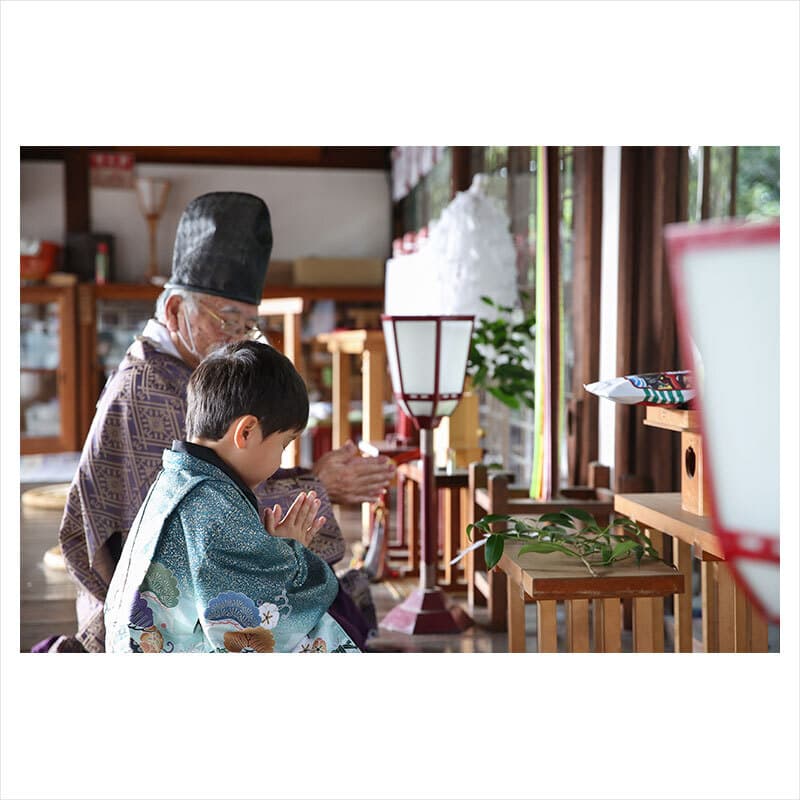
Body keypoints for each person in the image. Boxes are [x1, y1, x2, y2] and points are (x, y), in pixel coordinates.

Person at [47, 191, 394, 653]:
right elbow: (205, 521)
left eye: (248, 324)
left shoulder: (192, 371)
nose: (236, 337)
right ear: (174, 311)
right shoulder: (146, 388)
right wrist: (316, 487)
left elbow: (218, 474)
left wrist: (308, 487)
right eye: (226, 318)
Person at [105, 340, 367, 653]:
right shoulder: (212, 505)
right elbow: (263, 622)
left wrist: (275, 552)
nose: (281, 459)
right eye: (282, 445)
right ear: (246, 432)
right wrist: (294, 557)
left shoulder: (177, 479)